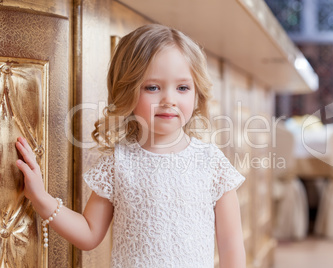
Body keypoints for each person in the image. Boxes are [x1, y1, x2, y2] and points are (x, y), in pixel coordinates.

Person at [15, 24, 246, 267]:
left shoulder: (211, 162)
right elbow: (89, 233)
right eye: (153, 87)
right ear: (127, 91)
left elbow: (231, 246)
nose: (169, 100)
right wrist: (40, 198)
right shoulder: (119, 162)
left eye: (182, 88)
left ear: (196, 93)